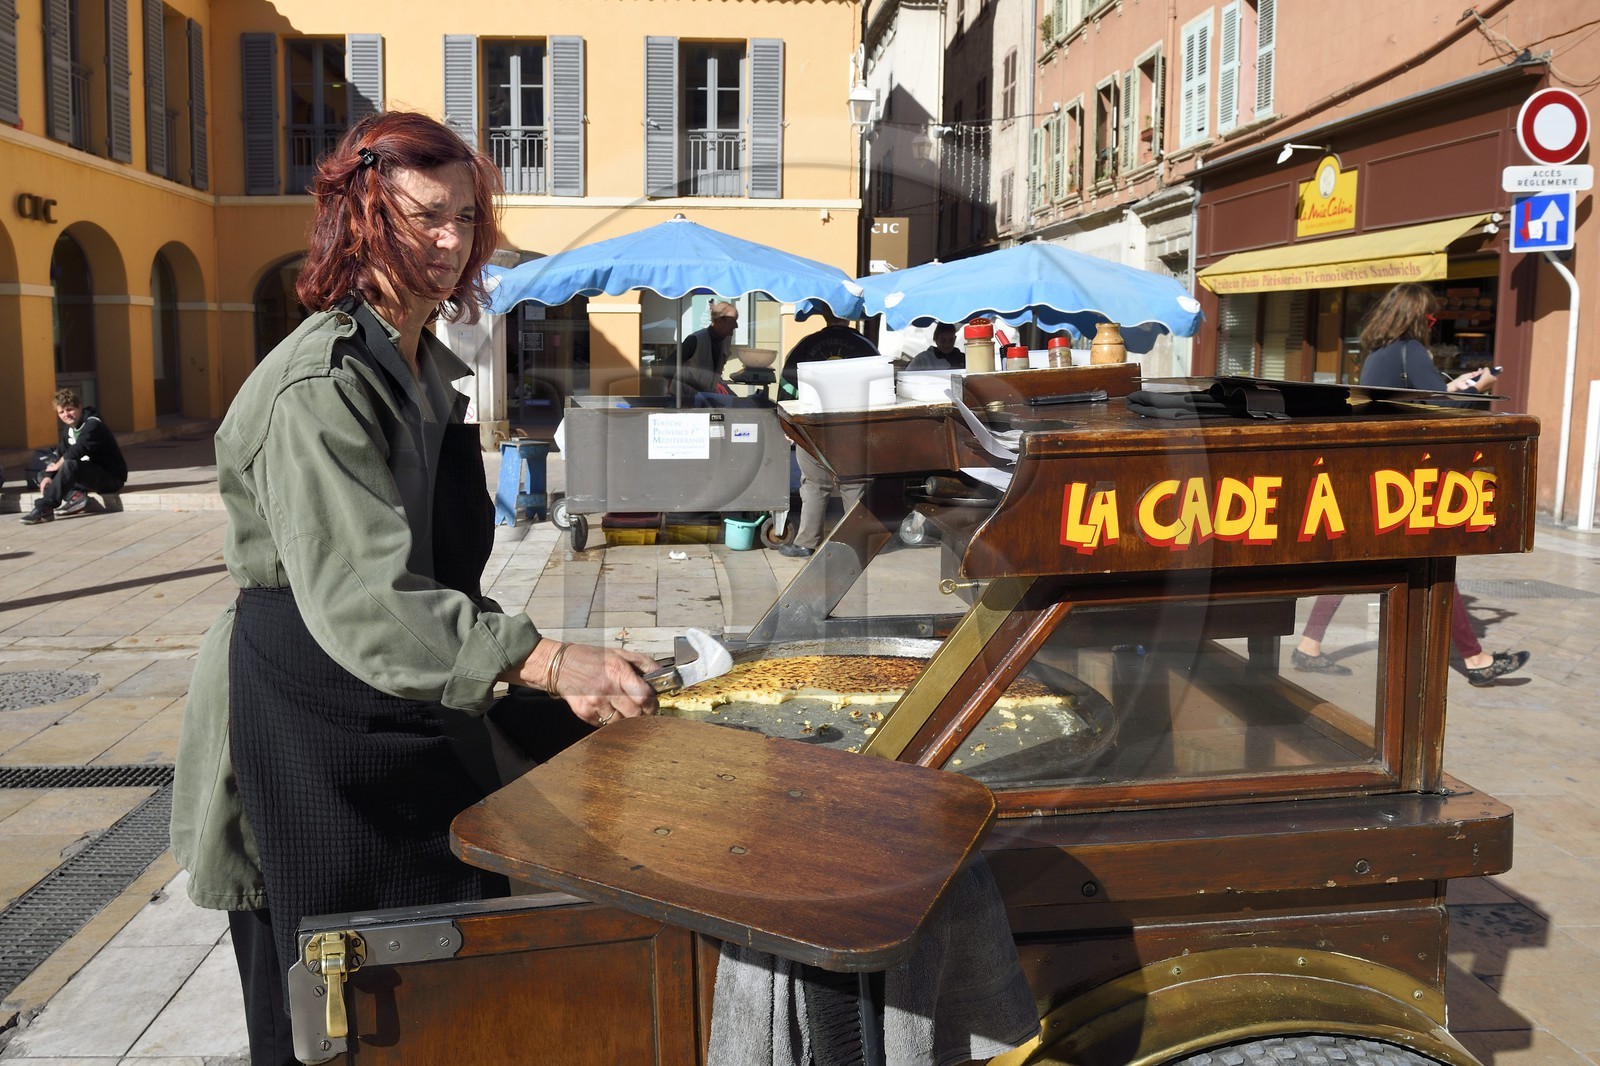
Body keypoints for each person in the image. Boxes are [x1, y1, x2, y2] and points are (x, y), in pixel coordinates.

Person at [168, 111, 659, 1064]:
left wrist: (546, 680)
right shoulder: (318, 385)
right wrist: (548, 661)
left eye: (466, 218)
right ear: (360, 219)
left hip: (389, 705)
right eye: (423, 218)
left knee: (433, 998)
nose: (449, 242)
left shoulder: (422, 364)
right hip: (304, 727)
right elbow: (370, 601)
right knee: (331, 1015)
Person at [1292, 283, 1528, 687]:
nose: (1432, 325)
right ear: (1418, 318)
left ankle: (1308, 646)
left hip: (1374, 470)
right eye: (1431, 318)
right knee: (1436, 559)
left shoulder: (1378, 354)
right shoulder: (1411, 350)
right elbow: (1438, 408)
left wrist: (1451, 386)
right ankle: (1475, 659)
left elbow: (1416, 396)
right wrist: (1478, 388)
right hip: (1404, 478)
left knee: (1358, 563)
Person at [776, 312, 882, 558]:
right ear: (850, 317)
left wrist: (787, 424)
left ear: (824, 316)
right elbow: (883, 386)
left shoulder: (806, 345)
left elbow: (787, 386)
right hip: (854, 428)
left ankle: (806, 543)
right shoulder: (865, 346)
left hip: (812, 426)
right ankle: (858, 544)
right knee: (854, 484)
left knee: (814, 484)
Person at [19, 389, 128, 524]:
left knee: (69, 464)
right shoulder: (68, 429)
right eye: (61, 412)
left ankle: (44, 507)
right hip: (85, 475)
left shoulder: (93, 424)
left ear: (79, 407)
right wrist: (48, 475)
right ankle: (76, 497)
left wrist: (58, 466)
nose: (66, 415)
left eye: (69, 409)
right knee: (43, 474)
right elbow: (60, 453)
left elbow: (78, 449)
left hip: (110, 477)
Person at [670, 299, 739, 404]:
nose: (736, 326)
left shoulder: (726, 339)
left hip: (704, 399)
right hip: (683, 400)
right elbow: (669, 364)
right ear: (719, 321)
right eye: (732, 322)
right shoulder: (695, 340)